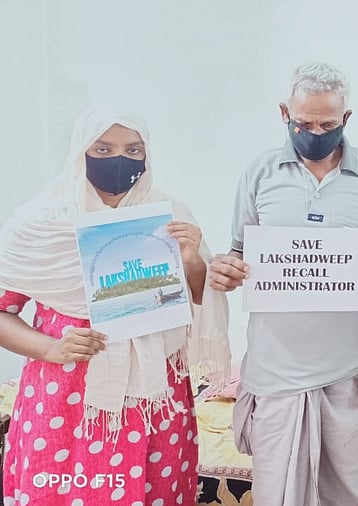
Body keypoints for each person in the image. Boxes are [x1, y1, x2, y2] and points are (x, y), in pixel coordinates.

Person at [0, 104, 231, 505]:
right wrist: (49, 348)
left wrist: (193, 258)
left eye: (133, 150)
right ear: (79, 151)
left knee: (156, 489)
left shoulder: (169, 214)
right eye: (103, 149)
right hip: (65, 393)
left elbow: (196, 295)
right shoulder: (40, 223)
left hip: (156, 399)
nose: (120, 160)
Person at [207, 62, 358, 506]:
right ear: (284, 114)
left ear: (346, 120)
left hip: (351, 367)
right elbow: (238, 253)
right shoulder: (259, 173)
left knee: (352, 490)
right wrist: (225, 270)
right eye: (304, 123)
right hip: (278, 369)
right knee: (280, 495)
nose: (315, 132)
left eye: (327, 124)